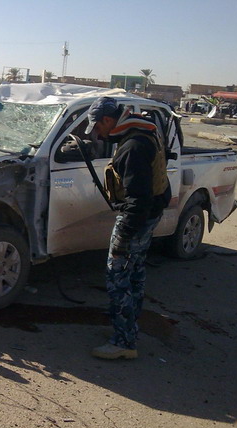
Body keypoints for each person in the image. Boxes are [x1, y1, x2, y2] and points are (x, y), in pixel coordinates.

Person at [85, 96, 171, 360]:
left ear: (108, 120)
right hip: (149, 215)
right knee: (134, 275)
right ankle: (127, 331)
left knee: (118, 278)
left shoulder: (132, 147)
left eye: (98, 127)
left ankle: (123, 343)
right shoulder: (141, 131)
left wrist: (124, 235)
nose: (97, 133)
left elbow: (138, 198)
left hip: (136, 219)